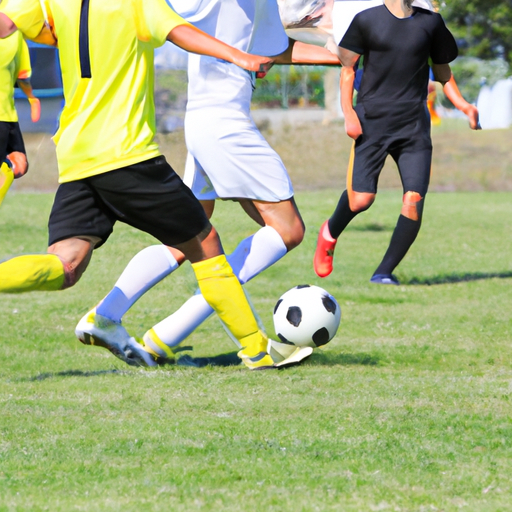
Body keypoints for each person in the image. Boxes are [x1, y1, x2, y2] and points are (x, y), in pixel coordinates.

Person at [0, 0, 284, 371]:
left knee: (66, 264)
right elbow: (179, 32)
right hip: (126, 154)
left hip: (76, 157)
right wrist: (240, 57)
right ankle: (257, 350)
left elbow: (9, 23)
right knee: (204, 243)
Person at [75, 0, 341, 367]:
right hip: (225, 125)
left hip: (204, 121)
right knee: (288, 229)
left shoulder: (256, 6)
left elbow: (276, 49)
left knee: (186, 240)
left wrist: (344, 58)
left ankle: (107, 317)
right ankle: (182, 336)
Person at [314, 0, 480, 284]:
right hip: (372, 123)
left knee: (413, 200)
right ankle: (329, 232)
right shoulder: (366, 20)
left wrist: (465, 106)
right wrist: (349, 114)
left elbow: (443, 73)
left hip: (413, 128)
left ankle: (383, 273)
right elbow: (347, 69)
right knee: (360, 200)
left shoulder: (430, 23)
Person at [0, 25, 40, 206]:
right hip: (3, 115)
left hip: (6, 115)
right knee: (17, 162)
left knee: (18, 162)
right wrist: (31, 96)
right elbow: (23, 76)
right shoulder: (13, 27)